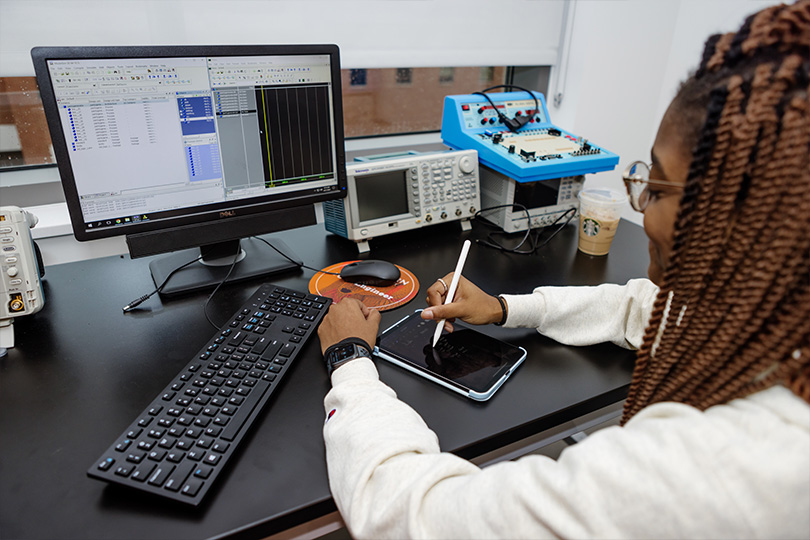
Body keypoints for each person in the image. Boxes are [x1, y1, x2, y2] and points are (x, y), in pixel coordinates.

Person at [317, 2, 810, 537]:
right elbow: (641, 309)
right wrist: (505, 308)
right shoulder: (780, 320)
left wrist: (350, 362)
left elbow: (413, 515)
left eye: (657, 185)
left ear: (746, 218)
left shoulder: (716, 472)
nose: (639, 205)